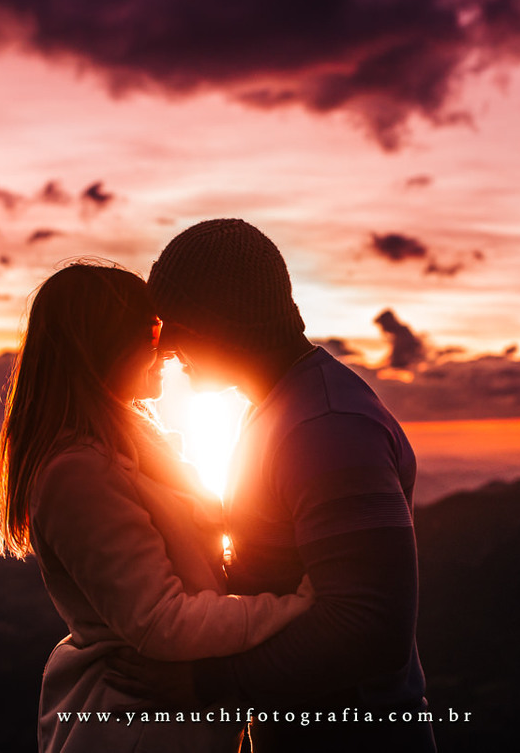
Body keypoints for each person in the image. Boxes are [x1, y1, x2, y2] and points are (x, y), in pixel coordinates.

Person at [137, 219, 437, 752]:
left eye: (179, 323)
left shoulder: (327, 425)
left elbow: (370, 629)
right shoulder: (285, 407)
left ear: (224, 319)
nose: (167, 346)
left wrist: (201, 686)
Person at [0, 261, 312, 753]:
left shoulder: (130, 446)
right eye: (152, 330)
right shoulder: (77, 472)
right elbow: (163, 622)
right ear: (100, 342)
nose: (167, 349)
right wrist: (297, 608)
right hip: (133, 727)